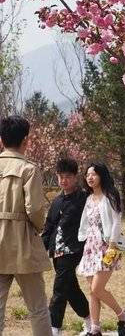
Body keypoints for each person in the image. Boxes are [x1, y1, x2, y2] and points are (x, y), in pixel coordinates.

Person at [0, 116, 52, 336]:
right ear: (26, 140)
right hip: (24, 243)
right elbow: (35, 210)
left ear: (1, 140)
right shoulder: (29, 169)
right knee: (37, 308)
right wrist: (38, 228)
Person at [76, 163, 125, 336]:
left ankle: (122, 315)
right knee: (92, 292)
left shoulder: (110, 196)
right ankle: (95, 329)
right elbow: (85, 224)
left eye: (93, 174)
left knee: (97, 289)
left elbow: (116, 221)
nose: (90, 177)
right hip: (90, 248)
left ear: (101, 176)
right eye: (87, 175)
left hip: (107, 247)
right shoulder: (89, 199)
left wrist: (112, 245)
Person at [42, 158, 91, 336]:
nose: (64, 181)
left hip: (74, 250)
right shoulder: (56, 202)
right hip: (57, 252)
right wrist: (41, 249)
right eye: (60, 177)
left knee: (59, 290)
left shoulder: (84, 198)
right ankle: (90, 321)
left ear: (76, 177)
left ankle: (54, 329)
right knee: (71, 290)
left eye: (68, 177)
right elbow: (48, 227)